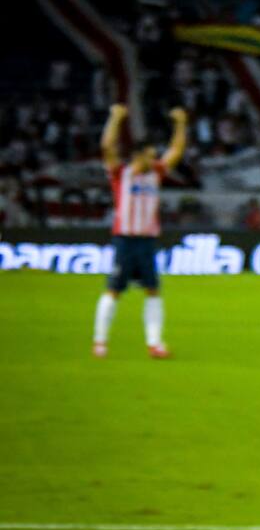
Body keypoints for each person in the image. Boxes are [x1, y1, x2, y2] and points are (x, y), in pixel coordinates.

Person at [92, 103, 188, 359]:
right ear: (138, 156)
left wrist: (181, 124)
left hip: (147, 242)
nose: (155, 159)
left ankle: (154, 343)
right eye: (150, 155)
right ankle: (100, 341)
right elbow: (107, 147)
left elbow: (176, 151)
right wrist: (115, 118)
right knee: (114, 290)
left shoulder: (155, 173)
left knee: (153, 290)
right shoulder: (120, 173)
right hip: (125, 240)